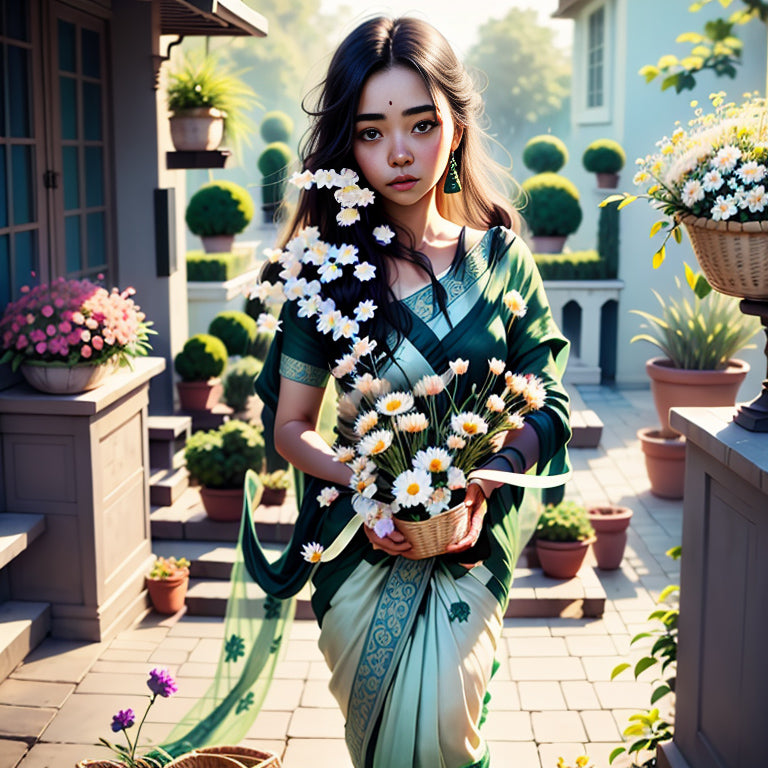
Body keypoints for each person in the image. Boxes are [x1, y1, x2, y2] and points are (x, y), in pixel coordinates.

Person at [159, 15, 571, 768]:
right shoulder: (327, 274)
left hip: (469, 551)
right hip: (360, 545)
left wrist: (480, 485)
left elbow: (550, 404)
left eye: (420, 124)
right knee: (381, 741)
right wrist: (373, 484)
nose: (400, 152)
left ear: (454, 126)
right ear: (346, 143)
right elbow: (289, 429)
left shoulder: (504, 260)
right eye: (373, 132)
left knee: (448, 716)